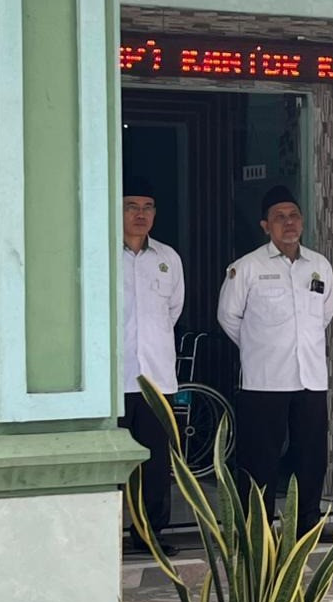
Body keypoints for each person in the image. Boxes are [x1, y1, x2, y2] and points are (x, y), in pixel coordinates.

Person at [217, 185, 333, 537]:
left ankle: (307, 522)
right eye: (279, 217)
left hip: (310, 378)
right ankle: (257, 527)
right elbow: (228, 317)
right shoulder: (247, 268)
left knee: (311, 456)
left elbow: (325, 313)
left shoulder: (319, 266)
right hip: (264, 379)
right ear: (265, 226)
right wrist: (259, 347)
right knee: (259, 458)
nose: (289, 223)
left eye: (294, 215)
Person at [120, 176, 185, 556]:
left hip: (157, 378)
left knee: (155, 462)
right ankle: (106, 532)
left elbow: (173, 310)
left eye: (147, 208)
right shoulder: (101, 253)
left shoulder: (168, 259)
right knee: (114, 462)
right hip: (115, 379)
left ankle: (150, 535)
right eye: (132, 207)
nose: (140, 214)